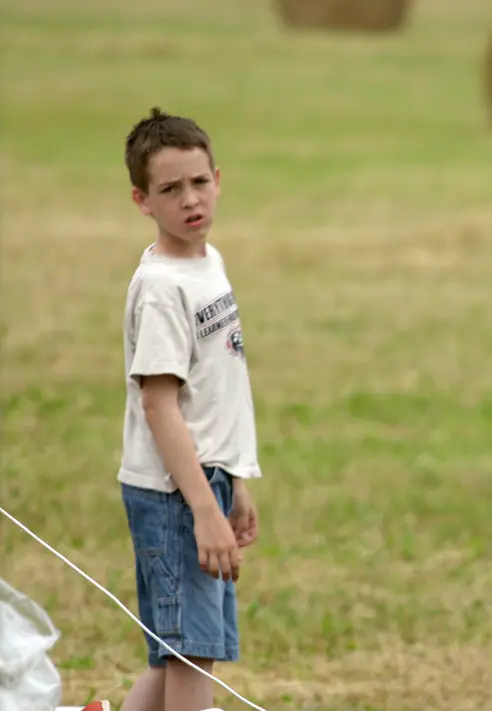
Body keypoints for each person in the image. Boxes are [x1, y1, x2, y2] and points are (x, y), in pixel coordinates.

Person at [116, 107, 262, 711]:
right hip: (177, 496)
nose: (190, 200)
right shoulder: (162, 290)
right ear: (142, 201)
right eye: (170, 190)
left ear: (218, 179)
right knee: (190, 656)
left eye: (199, 182)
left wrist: (234, 482)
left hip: (205, 484)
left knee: (177, 650)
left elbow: (217, 390)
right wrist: (204, 507)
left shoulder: (208, 263)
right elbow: (159, 406)